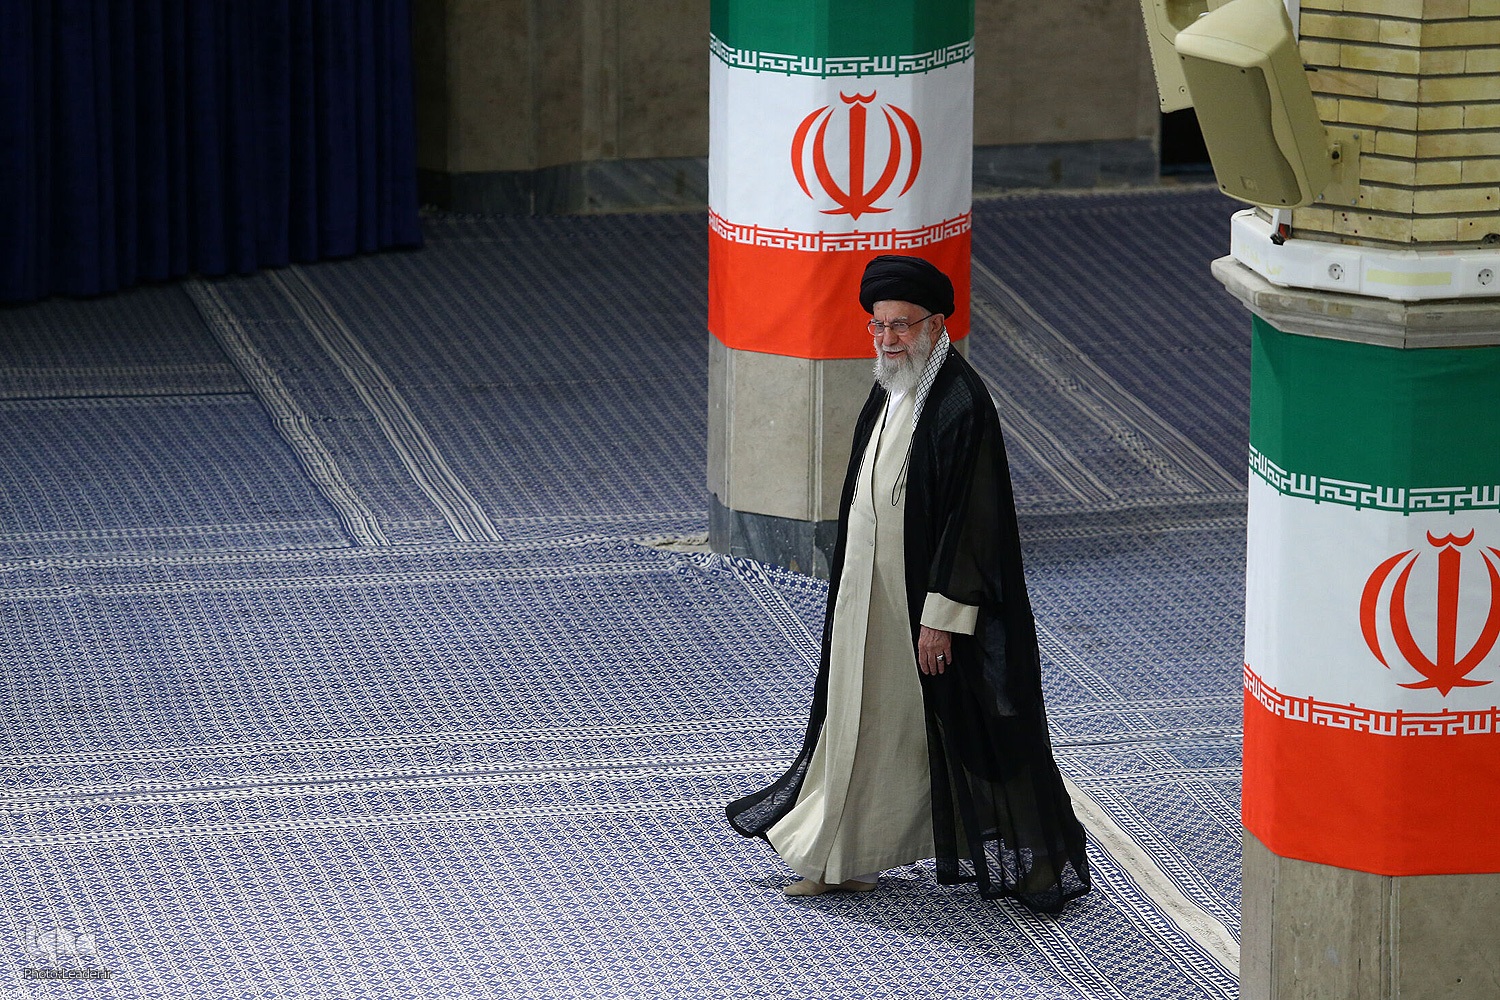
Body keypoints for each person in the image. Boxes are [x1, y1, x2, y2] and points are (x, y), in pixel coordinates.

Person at [726, 254, 1091, 914]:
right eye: (879, 325)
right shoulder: (890, 386)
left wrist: (940, 619)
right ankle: (844, 859)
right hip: (866, 595)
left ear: (935, 325)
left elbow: (974, 521)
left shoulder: (960, 402)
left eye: (901, 325)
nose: (888, 339)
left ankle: (1039, 858)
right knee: (858, 721)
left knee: (979, 726)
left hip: (926, 607)